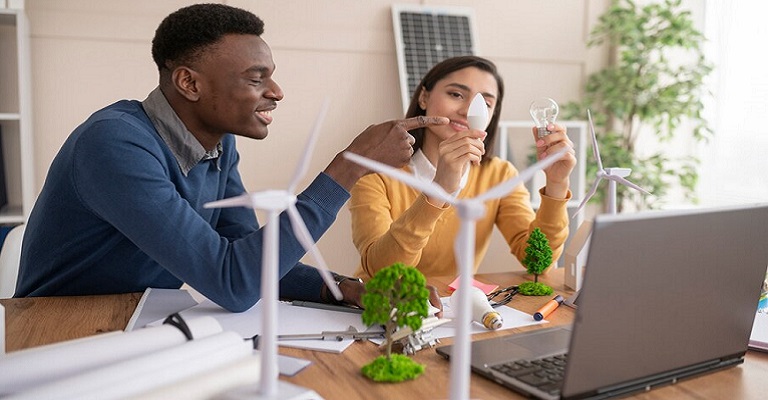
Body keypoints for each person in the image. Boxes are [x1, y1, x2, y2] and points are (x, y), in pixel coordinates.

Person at [14, 3, 448, 313]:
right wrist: (349, 166)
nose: (276, 92)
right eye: (257, 78)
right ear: (189, 82)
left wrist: (350, 290)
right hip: (57, 335)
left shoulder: (219, 146)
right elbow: (233, 283)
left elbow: (252, 263)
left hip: (136, 324)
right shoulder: (114, 145)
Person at [350, 56, 577, 280]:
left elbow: (539, 263)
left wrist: (557, 183)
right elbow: (383, 271)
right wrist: (438, 190)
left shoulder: (499, 175)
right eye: (456, 94)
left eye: (485, 104)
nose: (469, 111)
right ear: (424, 97)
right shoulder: (376, 174)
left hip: (456, 311)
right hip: (379, 309)